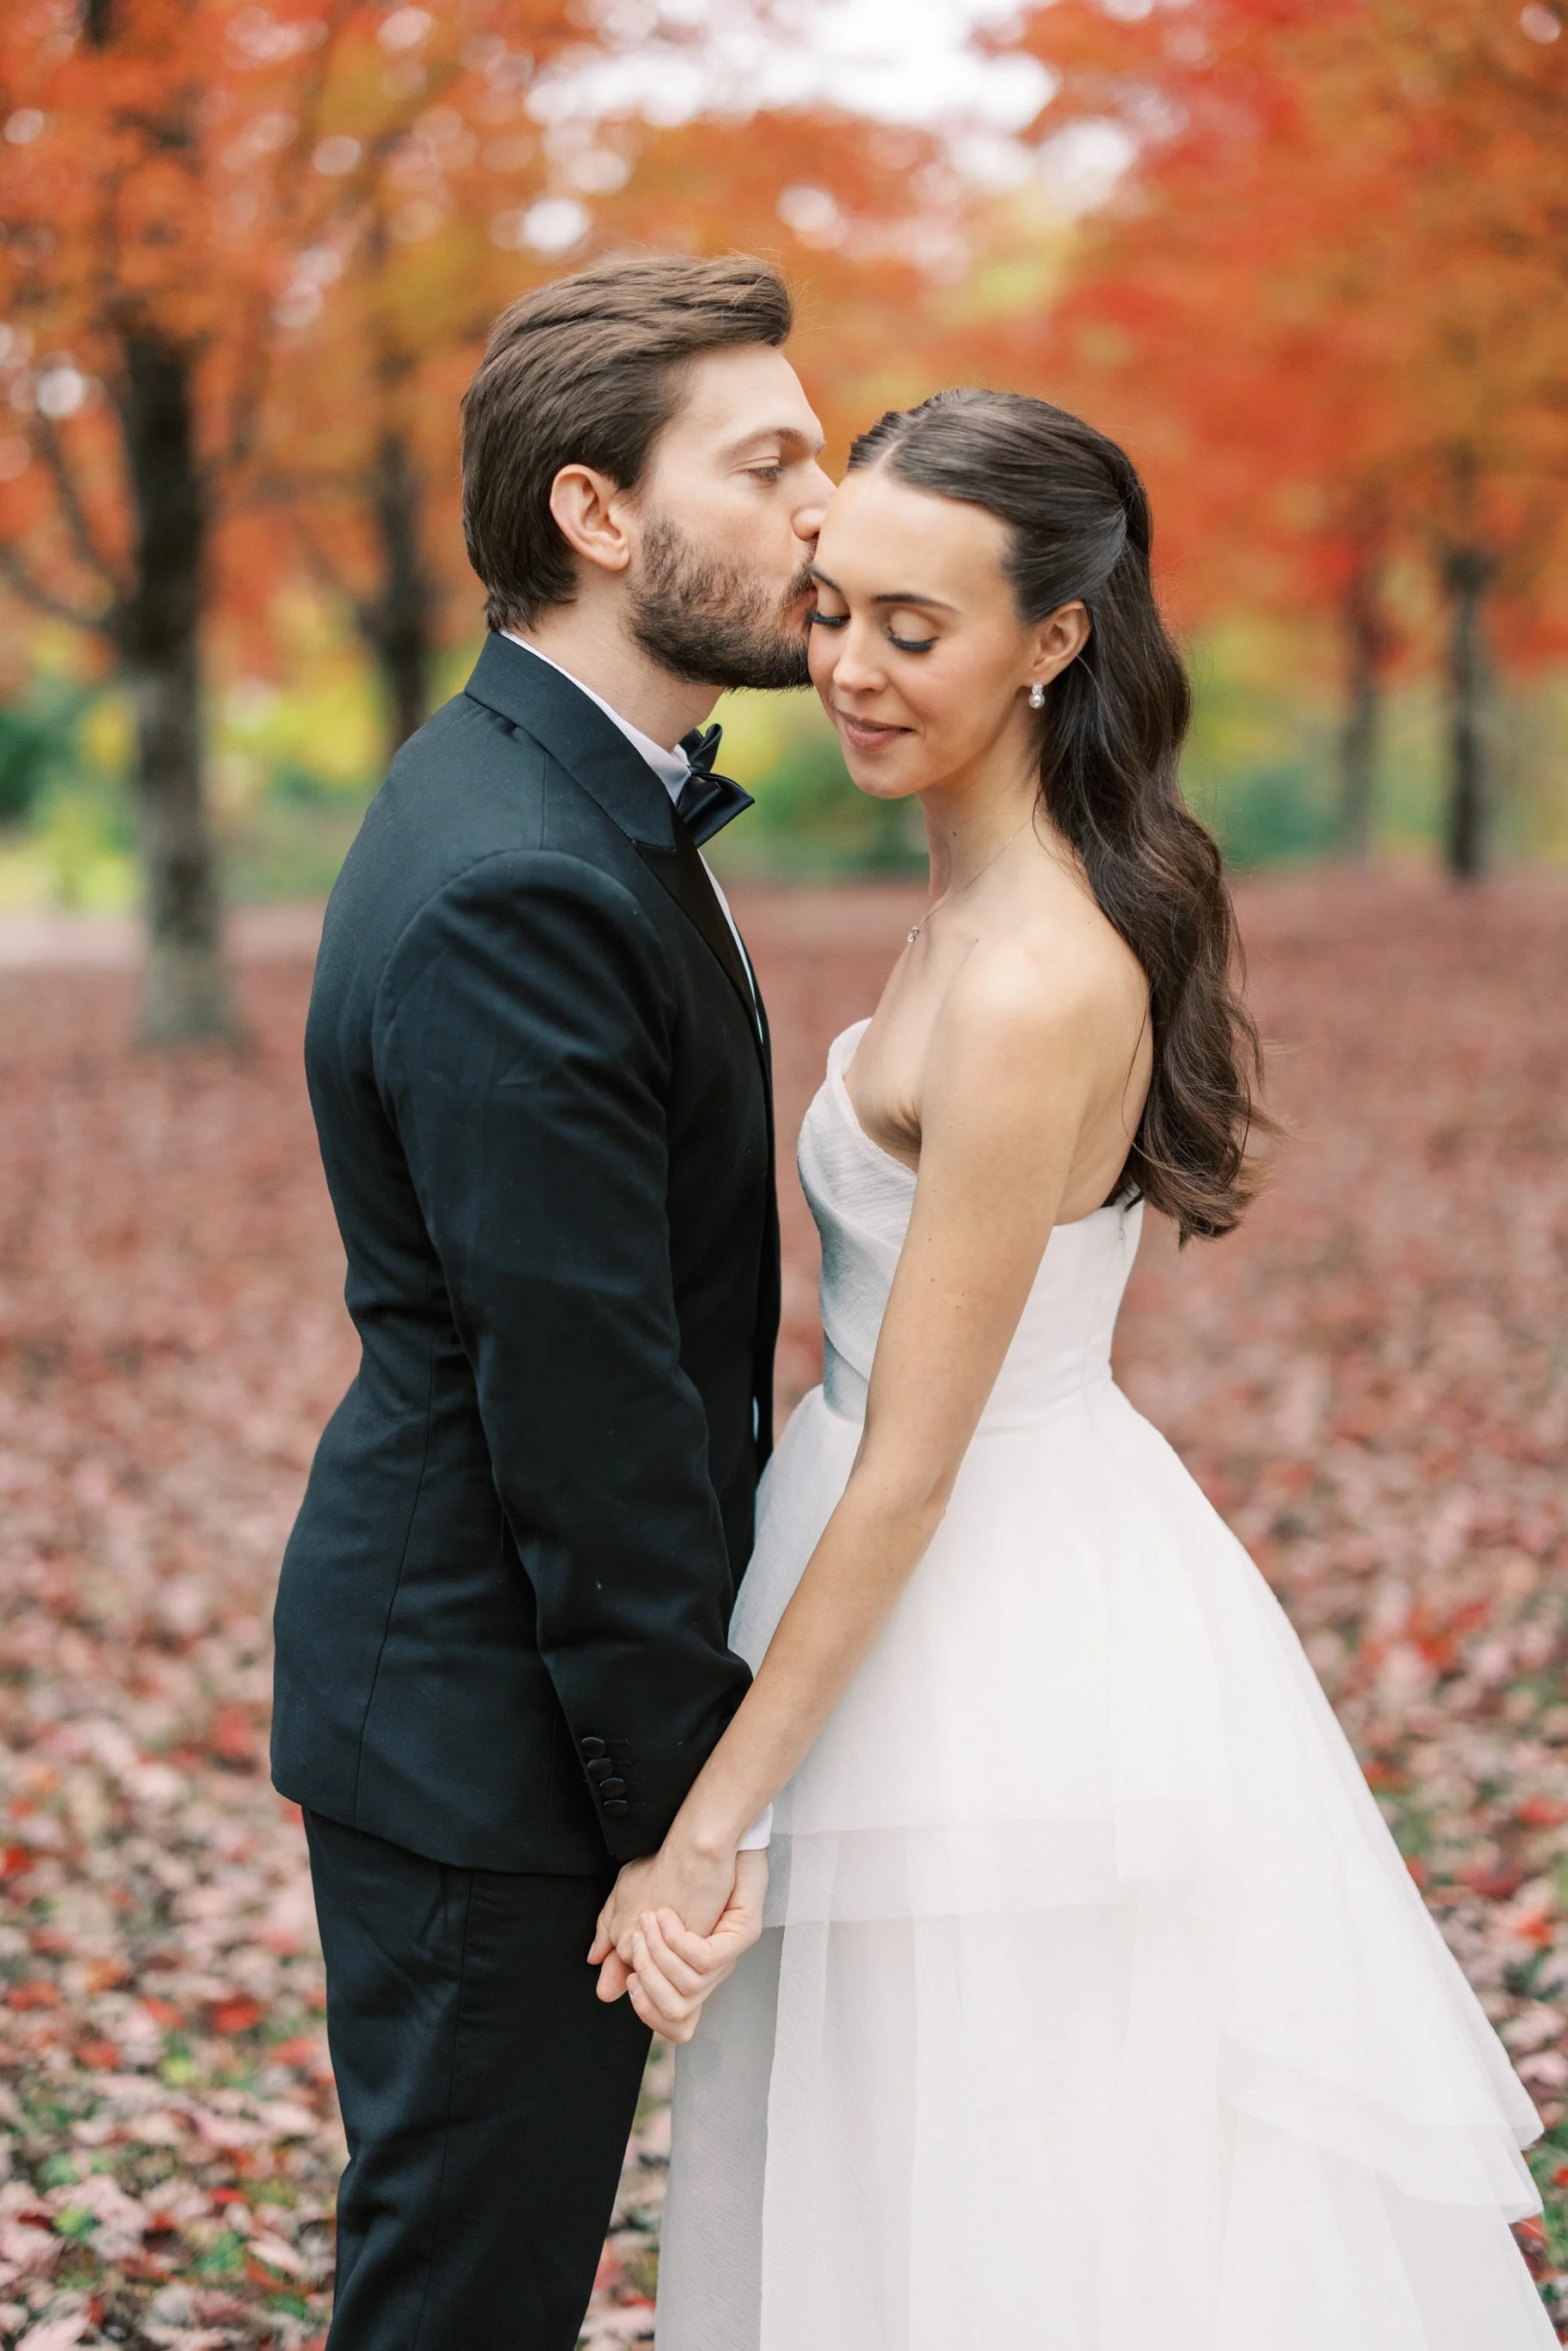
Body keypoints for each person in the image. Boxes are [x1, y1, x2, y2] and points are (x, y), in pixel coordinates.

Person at [590, 391, 1556, 2349]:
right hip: (906, 1558)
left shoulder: (1035, 975)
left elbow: (920, 1460)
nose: (846, 668)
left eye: (912, 632)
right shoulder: (976, 889)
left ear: (1054, 641)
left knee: (1001, 2197)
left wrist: (712, 1828)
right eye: (833, 606)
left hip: (985, 1630)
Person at [269, 252, 831, 2351]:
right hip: (489, 1732)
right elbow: (580, 1403)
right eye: (766, 461)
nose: (821, 511)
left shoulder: (562, 790)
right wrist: (680, 1817)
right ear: (598, 513)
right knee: (462, 2299)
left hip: (495, 1692)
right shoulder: (524, 869)